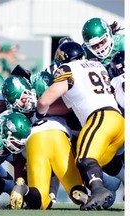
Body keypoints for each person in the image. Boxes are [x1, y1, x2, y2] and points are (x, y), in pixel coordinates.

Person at [36, 41, 124, 210]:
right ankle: (103, 189)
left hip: (101, 118)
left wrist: (39, 112)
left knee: (84, 159)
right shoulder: (97, 65)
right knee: (99, 162)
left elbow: (46, 99)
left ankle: (99, 191)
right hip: (118, 121)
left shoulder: (69, 69)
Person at [2, 74, 88, 209]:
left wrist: (17, 182)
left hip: (34, 143)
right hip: (58, 137)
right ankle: (81, 194)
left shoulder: (16, 120)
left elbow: (18, 158)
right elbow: (71, 109)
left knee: (40, 202)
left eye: (23, 98)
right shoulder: (47, 103)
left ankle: (24, 190)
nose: (22, 103)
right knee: (76, 189)